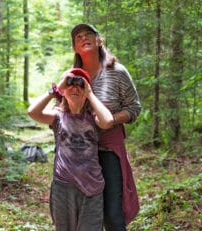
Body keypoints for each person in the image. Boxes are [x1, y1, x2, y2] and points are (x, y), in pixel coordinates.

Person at [69, 23, 141, 231]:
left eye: (89, 34)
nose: (84, 38)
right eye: (78, 37)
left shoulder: (117, 72)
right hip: (80, 154)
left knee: (112, 213)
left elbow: (134, 107)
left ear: (99, 40)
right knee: (86, 213)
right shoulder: (73, 77)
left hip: (108, 151)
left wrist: (111, 119)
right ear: (75, 48)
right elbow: (61, 109)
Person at [27, 68, 114, 231]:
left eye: (80, 84)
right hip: (63, 186)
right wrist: (54, 90)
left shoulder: (94, 118)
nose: (75, 88)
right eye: (70, 83)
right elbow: (32, 112)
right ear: (63, 91)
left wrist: (90, 93)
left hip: (92, 187)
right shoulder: (57, 116)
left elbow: (108, 121)